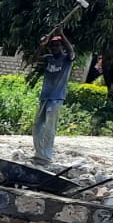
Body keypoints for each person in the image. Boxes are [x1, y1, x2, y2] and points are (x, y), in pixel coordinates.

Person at [30, 34, 76, 165]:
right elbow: (33, 60)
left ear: (62, 46)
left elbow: (71, 51)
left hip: (56, 98)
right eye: (52, 46)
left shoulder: (67, 59)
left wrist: (61, 33)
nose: (55, 48)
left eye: (57, 45)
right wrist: (41, 45)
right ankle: (39, 154)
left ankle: (47, 156)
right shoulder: (48, 58)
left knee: (50, 127)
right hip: (45, 96)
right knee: (37, 126)